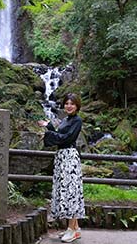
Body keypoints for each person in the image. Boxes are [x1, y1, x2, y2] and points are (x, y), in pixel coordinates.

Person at [37, 93, 85, 243]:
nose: (69, 106)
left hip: (70, 157)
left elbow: (67, 138)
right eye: (66, 103)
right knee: (65, 190)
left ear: (77, 106)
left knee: (71, 192)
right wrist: (48, 127)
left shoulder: (77, 120)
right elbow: (59, 134)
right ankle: (75, 229)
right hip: (61, 157)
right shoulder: (66, 119)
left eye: (72, 104)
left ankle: (71, 229)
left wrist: (48, 136)